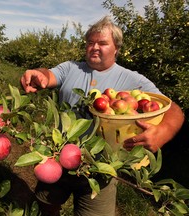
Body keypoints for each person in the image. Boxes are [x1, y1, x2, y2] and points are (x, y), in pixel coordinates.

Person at [20, 16, 185, 216]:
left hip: (100, 167)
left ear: (116, 48)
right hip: (59, 157)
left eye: (102, 43)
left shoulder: (132, 80)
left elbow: (173, 109)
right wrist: (38, 75)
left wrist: (163, 131)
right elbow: (48, 74)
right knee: (45, 205)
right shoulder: (71, 68)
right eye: (90, 43)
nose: (94, 47)